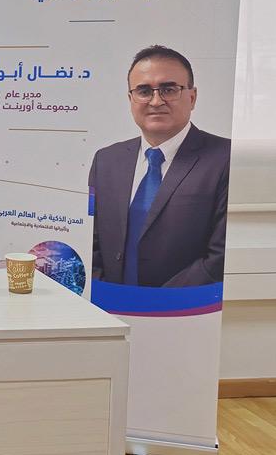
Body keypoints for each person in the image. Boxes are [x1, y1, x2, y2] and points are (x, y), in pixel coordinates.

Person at [88, 45, 229, 288]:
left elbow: (219, 256)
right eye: (144, 91)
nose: (156, 101)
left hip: (184, 306)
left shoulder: (225, 158)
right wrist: (104, 292)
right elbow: (91, 242)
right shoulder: (106, 161)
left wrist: (158, 303)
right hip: (109, 304)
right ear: (131, 99)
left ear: (192, 97)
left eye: (169, 89)